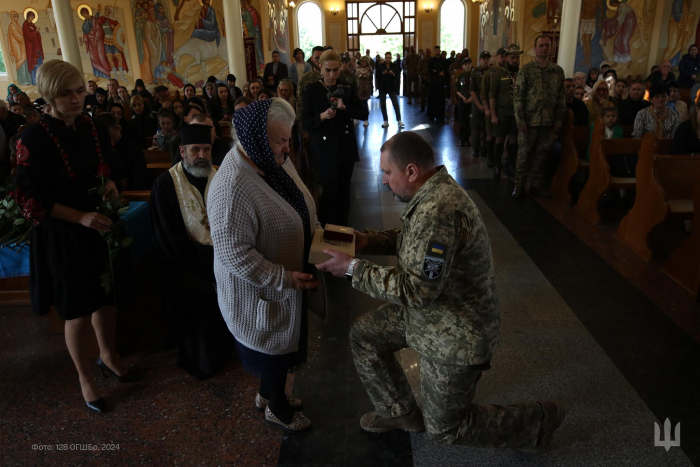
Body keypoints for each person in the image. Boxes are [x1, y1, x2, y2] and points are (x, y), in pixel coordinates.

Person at [315, 131, 565, 450]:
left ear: (411, 171)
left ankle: (536, 420)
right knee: (364, 335)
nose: (383, 181)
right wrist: (368, 240)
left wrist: (352, 268)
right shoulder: (433, 192)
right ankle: (400, 413)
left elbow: (416, 291)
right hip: (433, 311)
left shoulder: (439, 210)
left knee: (446, 430)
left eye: (387, 173)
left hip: (457, 331)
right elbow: (414, 238)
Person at [15, 60, 138, 414]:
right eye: (66, 93)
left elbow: (111, 165)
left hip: (98, 225)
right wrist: (79, 216)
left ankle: (110, 357)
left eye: (79, 91)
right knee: (77, 310)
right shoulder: (32, 138)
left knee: (105, 298)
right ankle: (85, 379)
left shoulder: (94, 127)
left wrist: (112, 184)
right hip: (64, 233)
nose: (75, 99)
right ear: (49, 96)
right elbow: (28, 200)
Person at [207, 99, 319, 432]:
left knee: (281, 350)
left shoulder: (271, 159)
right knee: (272, 351)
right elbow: (234, 254)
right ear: (256, 138)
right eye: (281, 140)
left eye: (289, 138)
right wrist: (282, 277)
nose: (289, 147)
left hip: (287, 283)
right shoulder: (231, 187)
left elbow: (299, 202)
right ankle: (276, 406)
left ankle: (267, 394)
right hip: (259, 291)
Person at [150, 124, 236, 380]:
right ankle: (204, 359)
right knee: (199, 294)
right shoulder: (165, 185)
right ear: (183, 151)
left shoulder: (222, 176)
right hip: (186, 263)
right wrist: (202, 266)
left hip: (226, 255)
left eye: (206, 150)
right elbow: (168, 237)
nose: (201, 155)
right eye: (195, 149)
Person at [302, 49, 369, 226]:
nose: (332, 75)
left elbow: (363, 113)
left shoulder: (346, 87)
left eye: (336, 70)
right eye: (328, 70)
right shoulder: (312, 89)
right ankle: (325, 233)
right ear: (320, 68)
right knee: (329, 193)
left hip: (345, 147)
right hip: (324, 150)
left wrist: (345, 107)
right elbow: (305, 122)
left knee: (344, 193)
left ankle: (342, 233)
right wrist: (321, 117)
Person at [512, 36, 565, 199]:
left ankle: (536, 185)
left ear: (551, 48)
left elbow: (561, 98)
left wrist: (558, 121)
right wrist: (521, 121)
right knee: (524, 155)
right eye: (541, 45)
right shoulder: (526, 70)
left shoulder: (557, 71)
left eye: (547, 46)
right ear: (535, 49)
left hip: (548, 122)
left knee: (542, 155)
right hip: (529, 121)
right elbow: (518, 97)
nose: (544, 48)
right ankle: (519, 186)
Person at [489, 45, 523, 178]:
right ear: (507, 58)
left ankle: (511, 165)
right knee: (499, 139)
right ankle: (498, 165)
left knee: (513, 140)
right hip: (502, 112)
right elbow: (492, 95)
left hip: (516, 113)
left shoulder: (521, 74)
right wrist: (493, 114)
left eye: (517, 58)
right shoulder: (499, 74)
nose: (515, 60)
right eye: (512, 57)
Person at [96, 112, 149, 190]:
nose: (108, 142)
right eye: (103, 139)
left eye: (111, 137)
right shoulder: (99, 149)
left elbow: (140, 180)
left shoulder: (133, 149)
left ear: (118, 128)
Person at [482, 47, 507, 167]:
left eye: (506, 56)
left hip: (504, 109)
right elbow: (484, 93)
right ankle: (490, 157)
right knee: (490, 134)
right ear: (497, 57)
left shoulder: (510, 73)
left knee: (502, 136)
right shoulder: (490, 73)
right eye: (502, 56)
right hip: (492, 109)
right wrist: (487, 108)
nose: (504, 59)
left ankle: (500, 158)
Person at [296, 46, 325, 139]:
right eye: (317, 58)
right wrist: (303, 130)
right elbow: (300, 105)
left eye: (322, 58)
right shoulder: (305, 79)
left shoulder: (331, 77)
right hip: (312, 126)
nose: (320, 61)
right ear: (312, 59)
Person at [469, 51, 491, 158]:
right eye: (484, 58)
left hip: (489, 103)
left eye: (487, 58)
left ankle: (485, 148)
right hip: (477, 102)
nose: (486, 60)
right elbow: (472, 90)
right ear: (480, 60)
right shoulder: (475, 72)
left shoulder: (493, 72)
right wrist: (479, 105)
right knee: (476, 128)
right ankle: (476, 149)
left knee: (487, 127)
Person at [376, 52, 404, 129]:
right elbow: (377, 75)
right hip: (383, 88)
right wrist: (383, 73)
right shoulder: (381, 66)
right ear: (385, 58)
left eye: (389, 58)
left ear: (391, 58)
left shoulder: (394, 66)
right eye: (387, 58)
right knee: (383, 104)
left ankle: (399, 120)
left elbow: (398, 76)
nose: (388, 59)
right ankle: (385, 120)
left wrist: (393, 74)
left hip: (392, 88)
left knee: (395, 104)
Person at [427, 46, 448, 121]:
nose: (437, 52)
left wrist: (437, 72)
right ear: (434, 51)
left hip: (440, 83)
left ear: (440, 51)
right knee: (432, 99)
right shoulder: (431, 60)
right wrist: (438, 73)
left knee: (440, 99)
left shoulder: (444, 61)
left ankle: (440, 115)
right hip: (433, 83)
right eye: (435, 50)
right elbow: (430, 71)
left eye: (438, 50)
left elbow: (445, 71)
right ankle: (431, 115)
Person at [455, 58, 473, 147]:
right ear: (462, 66)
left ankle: (468, 138)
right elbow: (457, 89)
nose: (467, 66)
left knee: (469, 120)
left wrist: (471, 98)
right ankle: (462, 139)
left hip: (472, 100)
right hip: (462, 100)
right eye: (465, 64)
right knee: (462, 120)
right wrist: (462, 97)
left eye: (469, 64)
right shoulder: (460, 76)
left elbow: (477, 90)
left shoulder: (474, 76)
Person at [356, 57, 373, 127]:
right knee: (357, 103)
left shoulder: (369, 69)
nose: (363, 63)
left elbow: (364, 75)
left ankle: (366, 118)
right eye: (362, 61)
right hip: (358, 88)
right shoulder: (357, 69)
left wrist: (360, 73)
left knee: (364, 103)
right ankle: (357, 117)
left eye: (364, 61)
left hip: (365, 88)